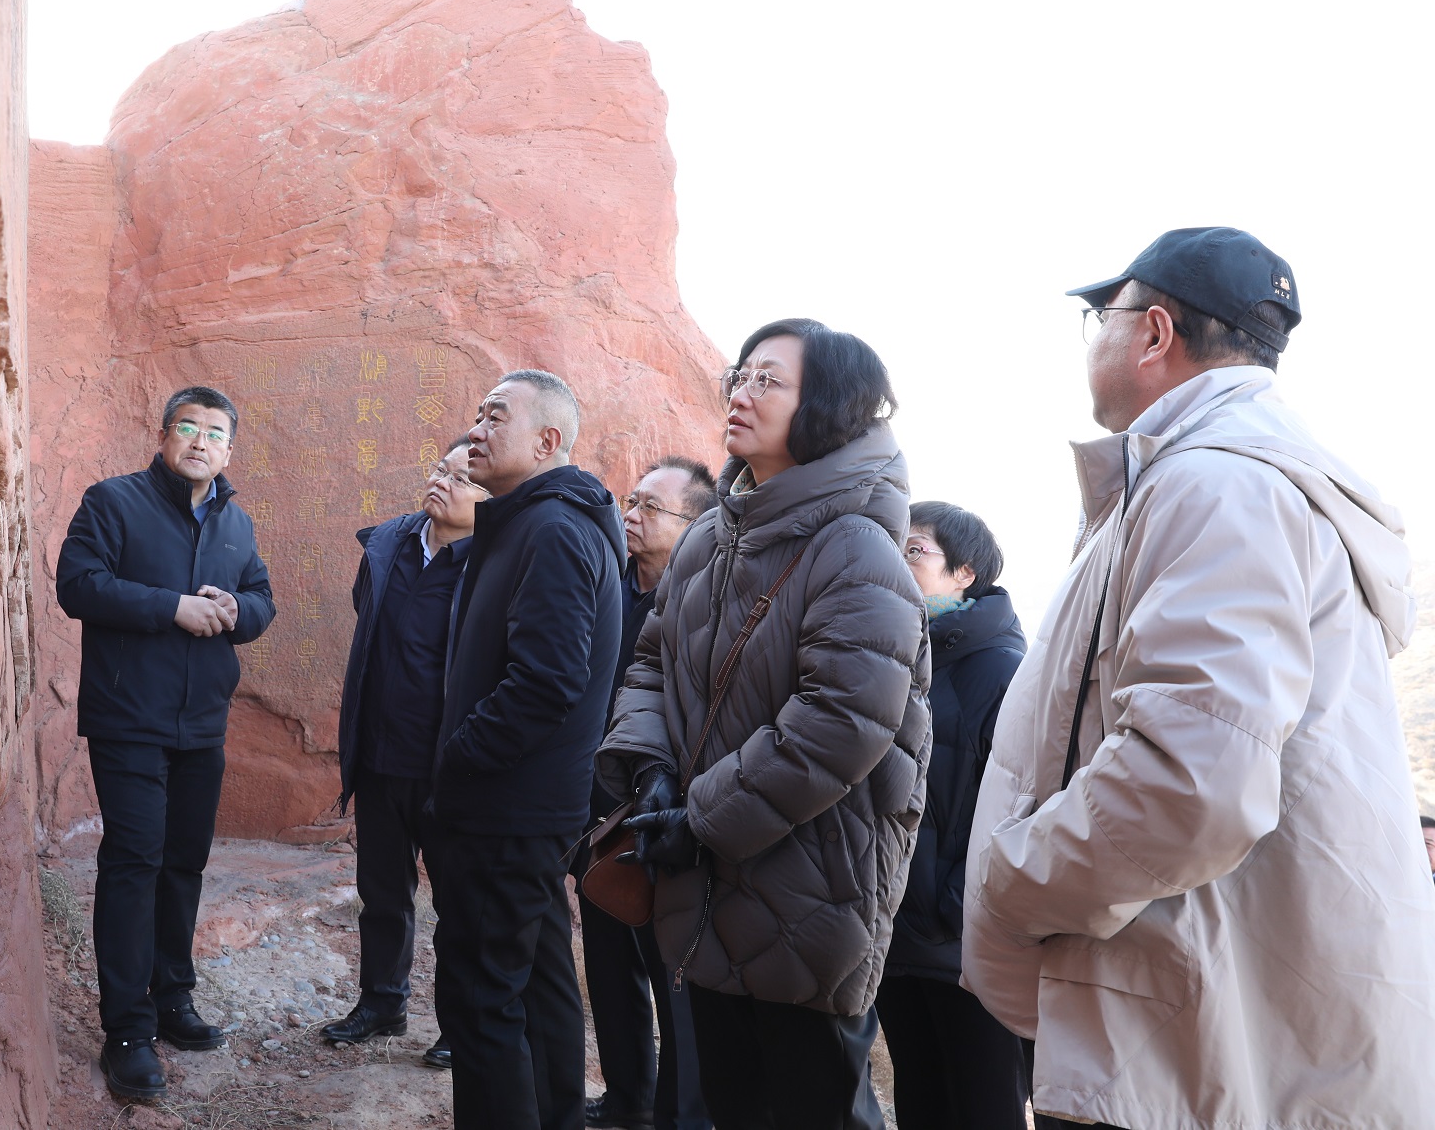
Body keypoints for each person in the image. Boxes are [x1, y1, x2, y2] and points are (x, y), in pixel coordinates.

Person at [962, 228, 1435, 1130]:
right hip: (1208, 1026)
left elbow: (1191, 782)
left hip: (1186, 1051)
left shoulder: (1215, 485)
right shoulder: (1223, 479)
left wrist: (1010, 878)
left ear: (1154, 332)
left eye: (1103, 316)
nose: (1095, 338)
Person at [598, 319, 931, 1130]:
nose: (741, 393)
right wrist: (654, 772)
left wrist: (701, 818)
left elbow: (842, 721)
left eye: (768, 380)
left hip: (811, 891)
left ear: (828, 404)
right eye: (739, 376)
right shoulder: (708, 539)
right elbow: (649, 663)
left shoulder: (856, 547)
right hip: (703, 886)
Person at [55, 386, 276, 1103]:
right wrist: (171, 607)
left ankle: (173, 997)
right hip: (128, 717)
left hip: (202, 721)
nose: (200, 441)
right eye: (188, 427)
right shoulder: (113, 502)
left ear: (229, 450)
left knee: (183, 862)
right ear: (163, 435)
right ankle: (126, 1029)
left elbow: (263, 600)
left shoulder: (236, 522)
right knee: (134, 861)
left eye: (215, 433)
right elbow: (78, 584)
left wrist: (238, 609)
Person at [432, 369, 628, 1130]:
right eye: (477, 414)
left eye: (495, 417)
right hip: (522, 808)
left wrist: (458, 759)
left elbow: (546, 683)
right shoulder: (532, 521)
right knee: (533, 987)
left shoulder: (553, 529)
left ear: (548, 441)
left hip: (507, 810)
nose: (475, 430)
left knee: (482, 1004)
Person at [321, 437, 483, 1068]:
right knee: (382, 891)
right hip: (380, 753)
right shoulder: (389, 544)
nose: (443, 482)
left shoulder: (492, 562)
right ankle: (381, 1002)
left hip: (447, 765)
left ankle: (459, 1025)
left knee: (457, 904)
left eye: (463, 479)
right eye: (441, 469)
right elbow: (367, 617)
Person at [874, 502, 1028, 1130]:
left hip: (965, 941)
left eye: (915, 549)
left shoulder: (1000, 669)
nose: (898, 559)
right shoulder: (889, 654)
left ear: (965, 573)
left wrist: (957, 906)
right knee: (921, 1097)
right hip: (892, 924)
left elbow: (1018, 805)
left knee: (983, 1103)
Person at [581, 459, 718, 1130]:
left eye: (650, 507)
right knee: (608, 955)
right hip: (598, 804)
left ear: (694, 524)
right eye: (630, 501)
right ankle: (628, 1093)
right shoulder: (607, 584)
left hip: (667, 810)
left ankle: (678, 1111)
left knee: (674, 975)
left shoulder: (706, 601)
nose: (631, 514)